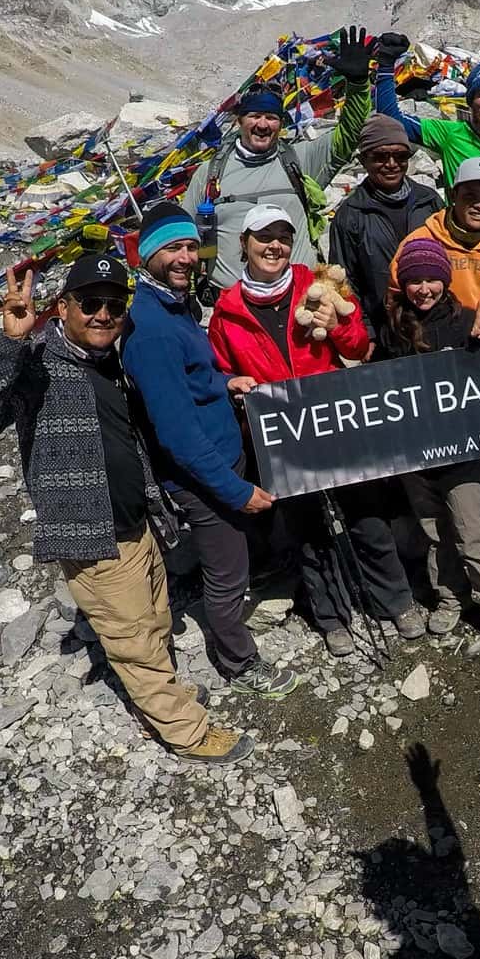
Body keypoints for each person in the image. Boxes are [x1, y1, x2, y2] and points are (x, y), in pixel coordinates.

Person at [0, 251, 252, 764]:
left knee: (157, 617)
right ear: (64, 306)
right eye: (90, 303)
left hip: (138, 522)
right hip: (90, 533)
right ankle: (186, 732)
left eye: (114, 306)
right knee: (133, 639)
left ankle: (164, 696)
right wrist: (9, 342)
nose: (103, 315)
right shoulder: (37, 364)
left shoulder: (108, 360)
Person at [207, 206, 427, 657]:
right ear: (244, 244)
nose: (275, 246)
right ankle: (332, 615)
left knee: (366, 514)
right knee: (307, 528)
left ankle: (395, 600)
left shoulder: (317, 286)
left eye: (283, 238)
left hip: (333, 423)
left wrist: (336, 325)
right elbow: (221, 371)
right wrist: (232, 386)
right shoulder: (226, 314)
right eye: (263, 237)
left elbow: (359, 346)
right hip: (281, 437)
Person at [123, 201, 299, 700]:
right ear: (148, 255)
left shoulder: (173, 308)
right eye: (172, 249)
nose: (185, 258)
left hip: (221, 459)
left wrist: (224, 383)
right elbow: (176, 434)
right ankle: (239, 662)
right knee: (224, 575)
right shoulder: (153, 331)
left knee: (238, 553)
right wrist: (236, 491)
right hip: (204, 477)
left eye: (189, 247)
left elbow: (189, 383)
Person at [380, 235, 480, 656]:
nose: (424, 289)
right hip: (415, 451)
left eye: (432, 279)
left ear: (445, 280)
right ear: (402, 285)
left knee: (471, 531)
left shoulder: (465, 321)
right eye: (414, 281)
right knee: (432, 529)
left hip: (462, 452)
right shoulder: (393, 327)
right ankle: (450, 596)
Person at [182, 25, 374, 292]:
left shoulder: (301, 160)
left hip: (298, 300)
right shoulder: (210, 172)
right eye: (254, 116)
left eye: (271, 118)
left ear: (281, 124)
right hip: (233, 307)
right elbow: (183, 236)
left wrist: (358, 85)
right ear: (239, 121)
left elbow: (351, 133)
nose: (263, 124)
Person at [370, 38, 480, 236]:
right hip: (457, 243)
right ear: (470, 103)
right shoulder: (450, 135)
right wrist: (385, 65)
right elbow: (391, 119)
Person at [328, 114, 443, 343]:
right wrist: (366, 334)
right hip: (386, 334)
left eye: (400, 156)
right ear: (363, 160)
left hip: (437, 325)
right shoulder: (350, 215)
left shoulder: (429, 202)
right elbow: (345, 283)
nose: (391, 164)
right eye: (380, 156)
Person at [389, 156, 480, 320]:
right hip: (433, 338)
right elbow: (395, 298)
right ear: (453, 195)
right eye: (470, 196)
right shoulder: (421, 241)